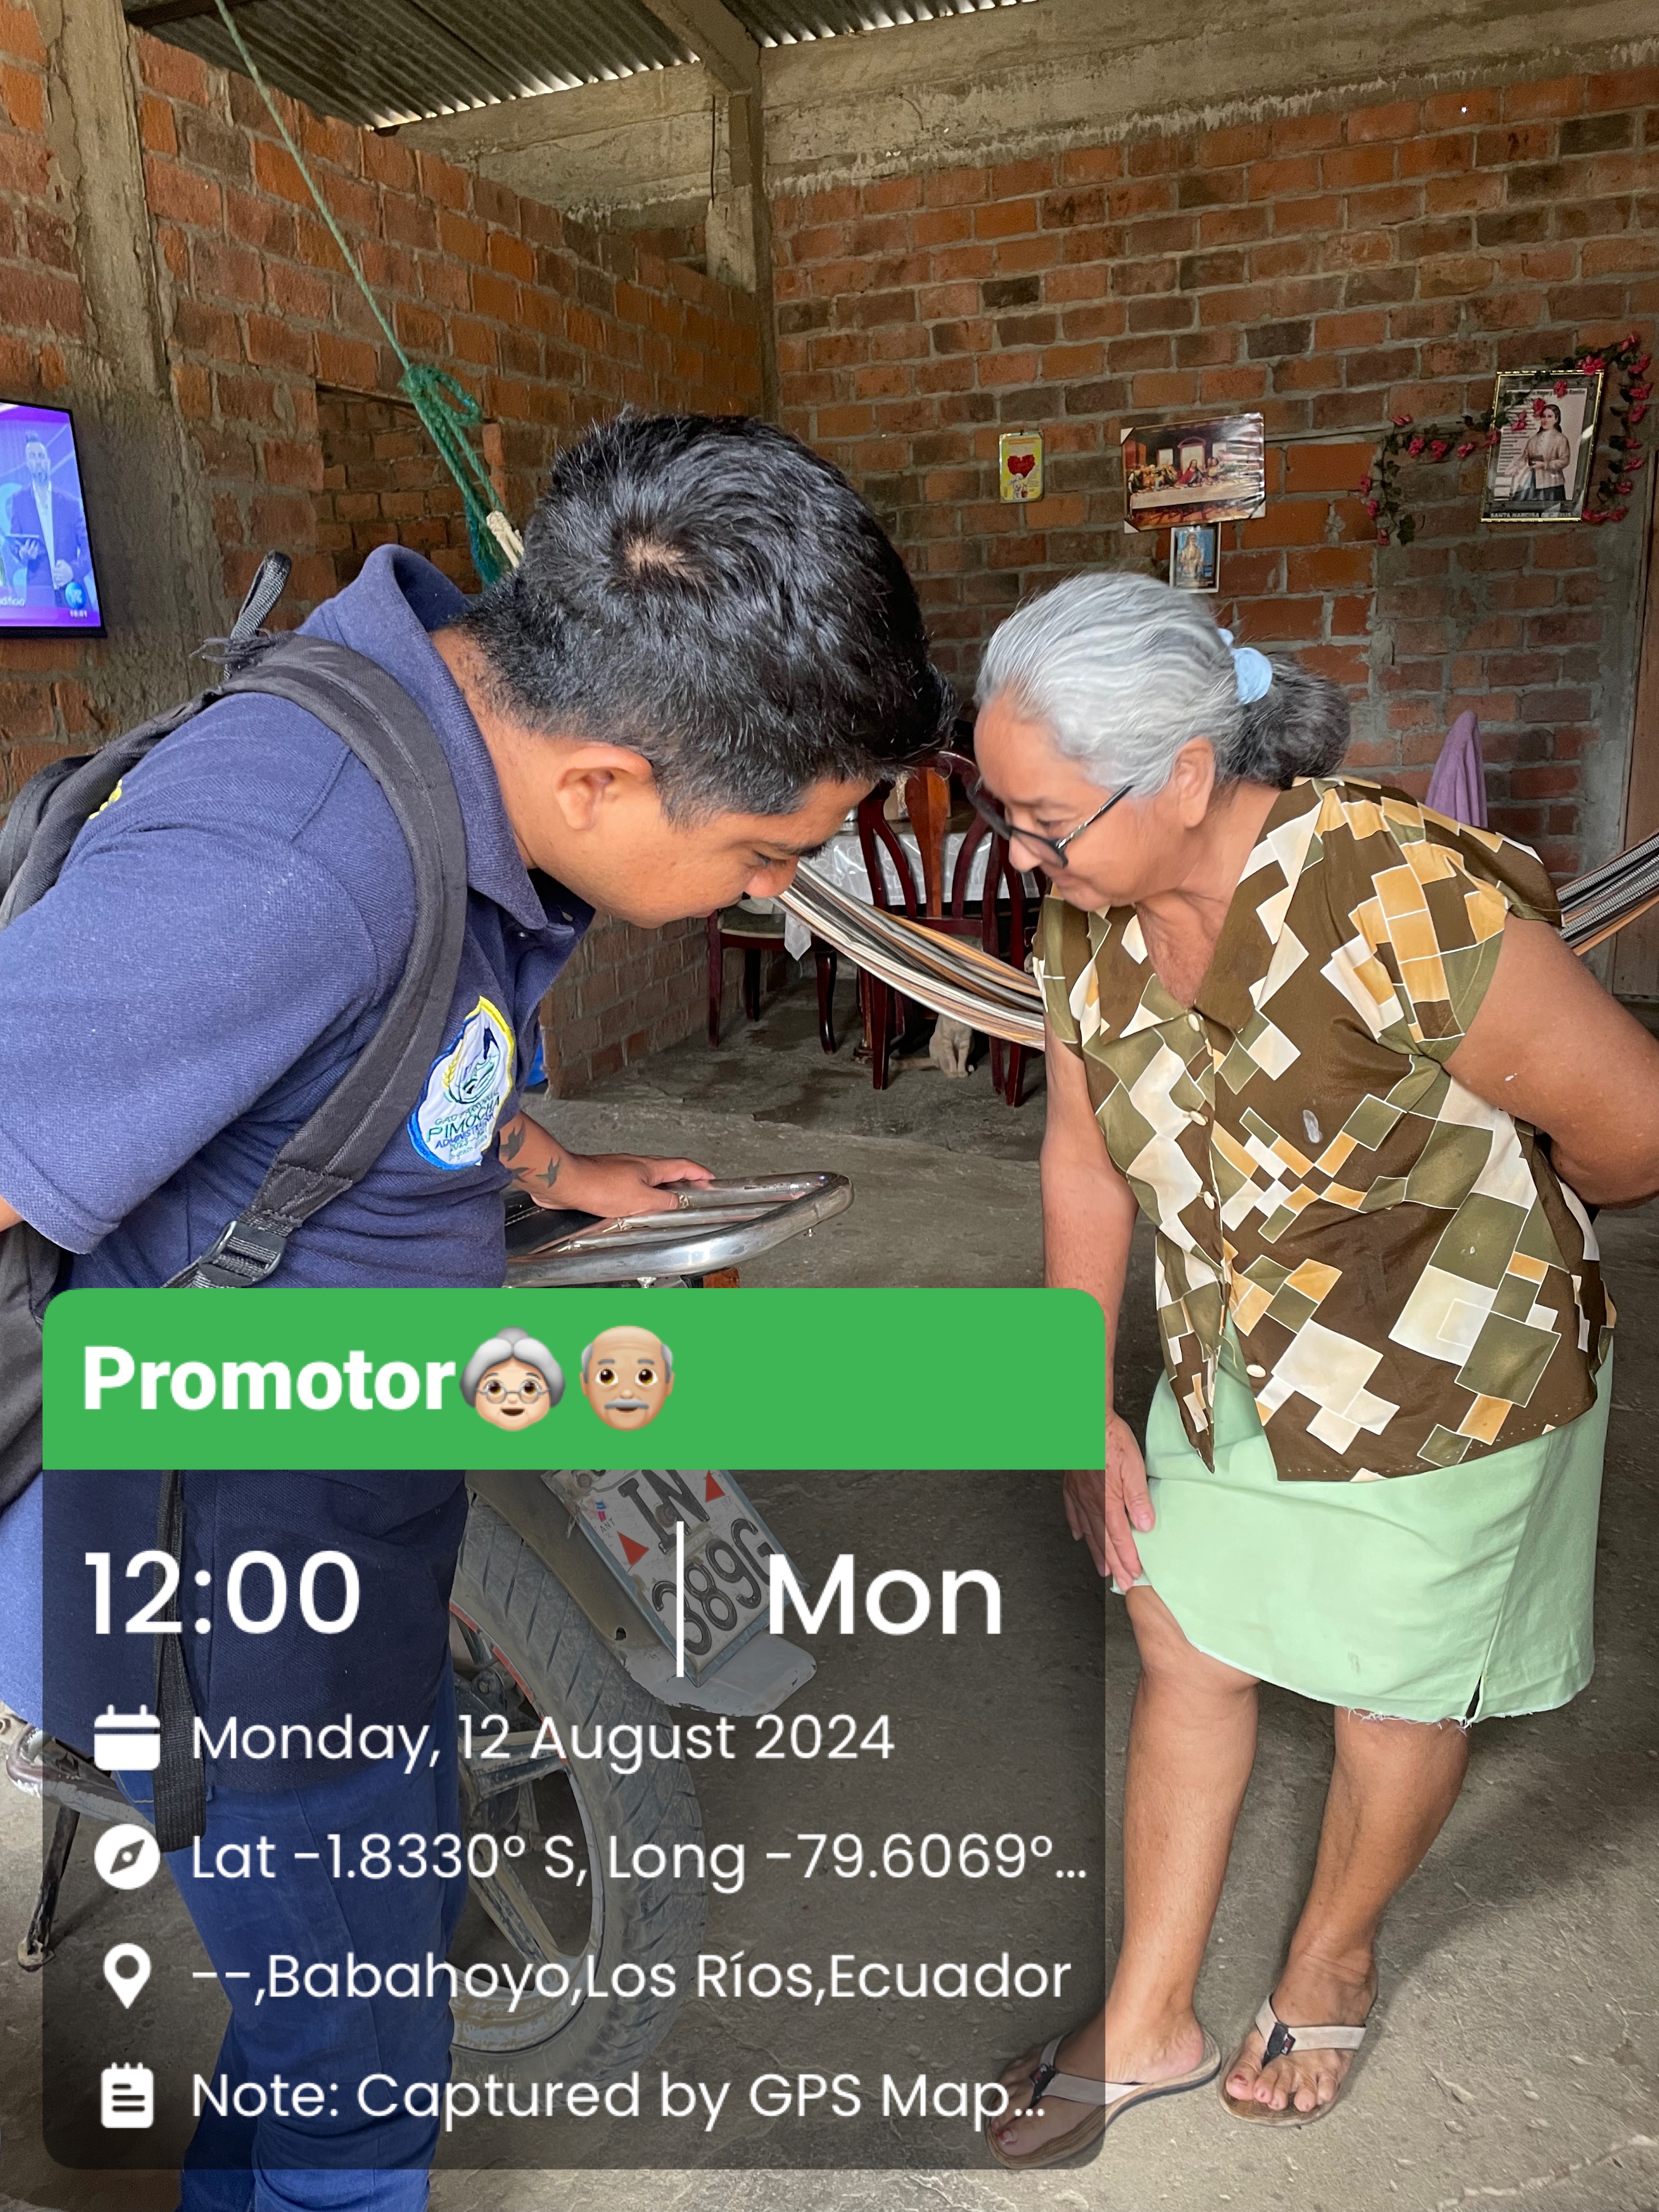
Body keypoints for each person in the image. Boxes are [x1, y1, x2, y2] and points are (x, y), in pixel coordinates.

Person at [0, 411, 953, 2207]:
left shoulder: (462, 747)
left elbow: (376, 1051)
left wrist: (536, 1163)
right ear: (602, 779)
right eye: (769, 852)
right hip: (220, 1597)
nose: (776, 895)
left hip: (342, 1542)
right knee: (361, 2105)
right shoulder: (294, 859)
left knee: (347, 1991)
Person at [964, 571, 1659, 2169]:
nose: (1019, 856)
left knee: (1389, 1690)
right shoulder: (1086, 921)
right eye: (1004, 813)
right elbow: (1083, 1160)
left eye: (1045, 821)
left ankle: (1331, 1957)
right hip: (1232, 1357)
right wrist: (1072, 1396)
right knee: (1183, 1633)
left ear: (1187, 773)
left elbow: (1630, 1133)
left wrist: (1463, 1233)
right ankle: (1150, 2013)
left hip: (1448, 1379)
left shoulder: (1393, 896)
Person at [5, 431, 91, 609]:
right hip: (39, 599)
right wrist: (22, 554)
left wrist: (73, 570)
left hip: (74, 595)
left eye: (41, 456)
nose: (38, 461)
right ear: (27, 464)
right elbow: (15, 544)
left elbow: (89, 549)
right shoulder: (19, 501)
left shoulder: (71, 504)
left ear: (49, 461)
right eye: (33, 457)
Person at [1520, 402, 1572, 509]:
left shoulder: (1560, 439)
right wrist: (1517, 467)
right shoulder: (1534, 439)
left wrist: (1545, 465)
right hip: (1534, 483)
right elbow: (1525, 457)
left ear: (1556, 419)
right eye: (1544, 416)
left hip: (1553, 484)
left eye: (1549, 417)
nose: (1545, 420)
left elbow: (1564, 460)